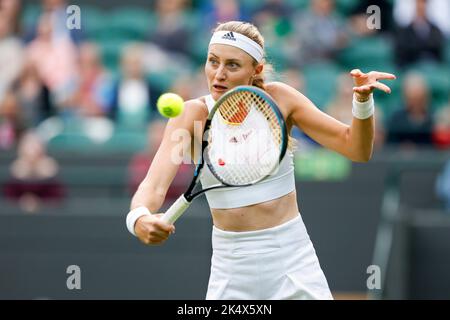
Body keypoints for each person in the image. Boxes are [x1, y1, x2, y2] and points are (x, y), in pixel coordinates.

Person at [125, 21, 395, 300]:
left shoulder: (280, 99)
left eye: (232, 65)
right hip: (230, 271)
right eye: (213, 61)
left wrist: (362, 103)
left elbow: (357, 149)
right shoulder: (192, 116)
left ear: (255, 70)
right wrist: (139, 218)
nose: (218, 74)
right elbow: (153, 187)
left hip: (292, 262)